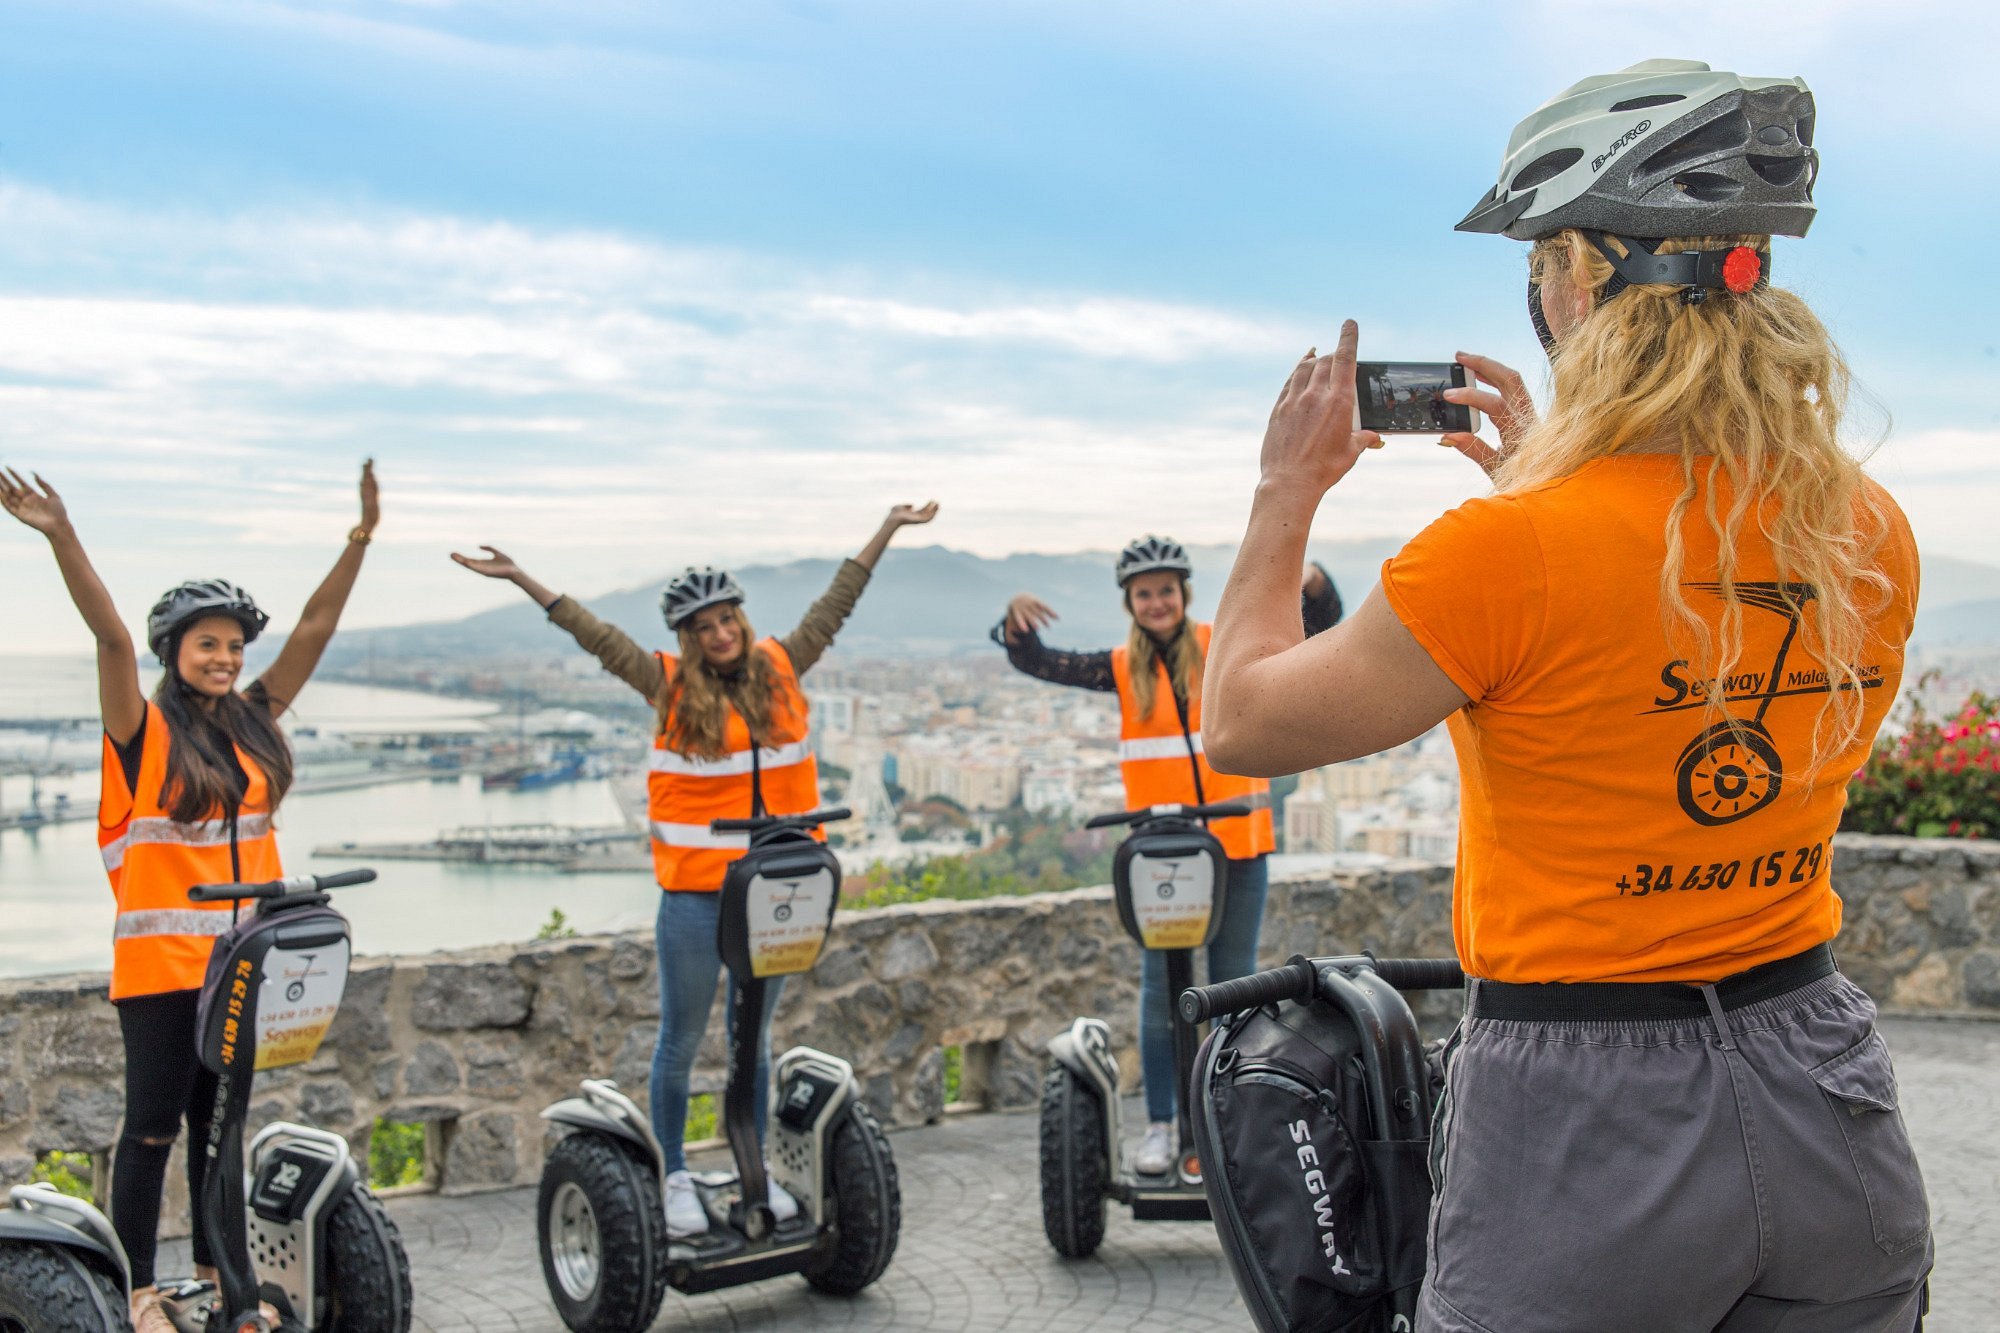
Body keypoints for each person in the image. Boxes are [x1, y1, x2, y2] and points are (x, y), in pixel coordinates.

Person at [1201, 60, 1929, 1331]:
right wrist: (1549, 470)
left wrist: (1284, 493)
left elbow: (1242, 722)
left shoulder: (1504, 552)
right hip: (1826, 1092)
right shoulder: (1860, 523)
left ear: (1579, 279)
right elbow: (1657, 596)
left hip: (1582, 1122)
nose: (1535, 287)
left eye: (1535, 261)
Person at [450, 501, 937, 1236]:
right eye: (704, 626)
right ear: (688, 636)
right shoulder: (668, 686)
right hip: (698, 896)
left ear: (741, 619)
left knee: (755, 1038)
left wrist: (889, 527)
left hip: (774, 886)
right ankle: (674, 1172)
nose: (720, 634)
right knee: (680, 1037)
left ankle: (756, 1166)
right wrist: (523, 578)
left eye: (727, 619)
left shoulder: (782, 663)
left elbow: (837, 600)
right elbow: (595, 636)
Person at [1, 462, 381, 1332]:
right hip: (162, 962)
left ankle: (222, 1280)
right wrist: (62, 535)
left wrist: (358, 539)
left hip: (243, 958)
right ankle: (137, 1290)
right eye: (207, 644)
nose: (226, 658)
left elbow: (317, 629)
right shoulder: (143, 729)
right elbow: (105, 638)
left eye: (235, 646)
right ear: (174, 651)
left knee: (223, 1126)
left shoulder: (253, 721)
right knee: (152, 1127)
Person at [997, 537, 1341, 1176]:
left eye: (1166, 590)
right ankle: (1162, 1124)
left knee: (1234, 986)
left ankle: (1229, 1121)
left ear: (1183, 595)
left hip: (1236, 847)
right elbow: (1045, 664)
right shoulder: (1122, 669)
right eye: (1144, 593)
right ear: (1131, 603)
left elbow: (1313, 634)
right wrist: (1015, 624)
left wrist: (1314, 583)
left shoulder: (1220, 649)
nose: (1157, 603)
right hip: (1164, 860)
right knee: (1161, 995)